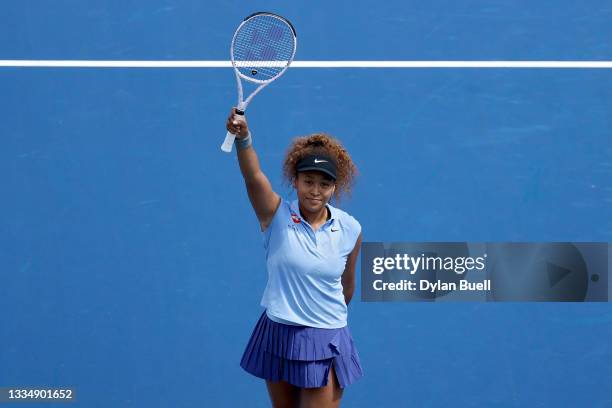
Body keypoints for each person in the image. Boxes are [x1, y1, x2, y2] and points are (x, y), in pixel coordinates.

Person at [226, 108, 363, 408]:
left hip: (325, 337)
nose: (315, 191)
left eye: (324, 184)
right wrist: (243, 138)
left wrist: (321, 318)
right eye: (308, 181)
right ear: (296, 181)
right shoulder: (275, 215)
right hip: (278, 332)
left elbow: (347, 287)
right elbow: (253, 176)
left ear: (334, 187)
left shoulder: (350, 229)